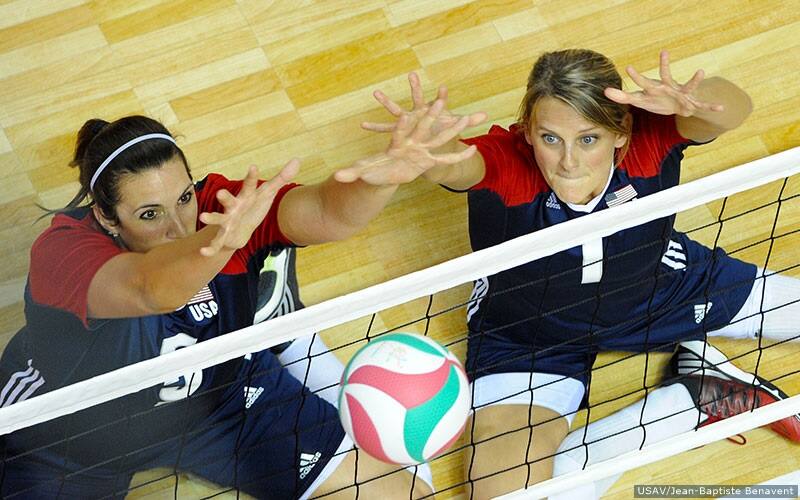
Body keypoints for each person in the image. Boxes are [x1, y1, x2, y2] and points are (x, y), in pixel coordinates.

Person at [338, 49, 800, 498]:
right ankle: (686, 403)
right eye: (550, 138)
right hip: (530, 338)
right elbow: (462, 165)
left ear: (620, 133)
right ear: (527, 132)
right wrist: (432, 148)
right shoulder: (507, 166)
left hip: (665, 291)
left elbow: (729, 110)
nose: (568, 161)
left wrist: (699, 98)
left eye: (588, 138)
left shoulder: (648, 144)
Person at [0, 106, 475, 498]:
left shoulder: (220, 207)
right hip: (72, 439)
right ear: (105, 217)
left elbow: (328, 213)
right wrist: (224, 243)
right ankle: (273, 315)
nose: (179, 226)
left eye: (184, 197)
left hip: (220, 401)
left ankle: (272, 319)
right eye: (149, 215)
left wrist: (382, 180)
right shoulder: (62, 251)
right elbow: (151, 288)